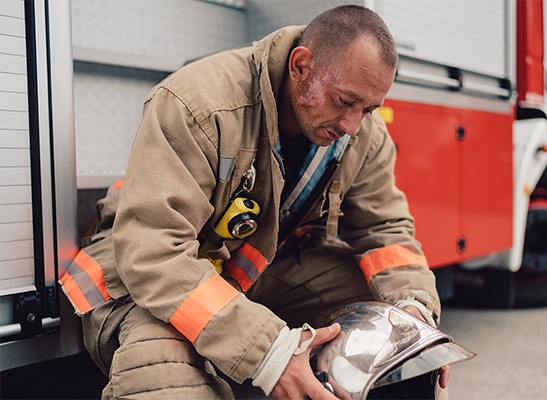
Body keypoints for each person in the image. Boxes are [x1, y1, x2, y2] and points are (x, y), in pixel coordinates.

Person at [60, 5, 446, 399]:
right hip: (147, 280)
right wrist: (269, 353)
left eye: (368, 109)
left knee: (392, 329)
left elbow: (386, 232)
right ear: (301, 66)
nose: (353, 126)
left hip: (245, 273)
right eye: (344, 101)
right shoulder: (197, 103)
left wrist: (414, 317)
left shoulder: (363, 134)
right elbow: (155, 253)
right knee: (163, 370)